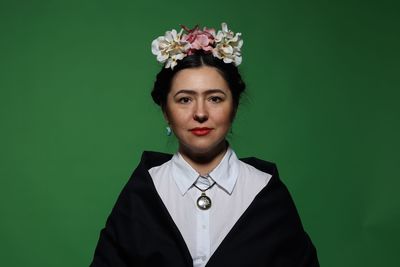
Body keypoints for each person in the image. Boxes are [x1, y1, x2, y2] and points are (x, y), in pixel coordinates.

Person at [90, 23, 319, 267]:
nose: (200, 113)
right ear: (165, 110)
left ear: (235, 106)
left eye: (215, 98)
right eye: (185, 99)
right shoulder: (142, 192)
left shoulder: (265, 191)